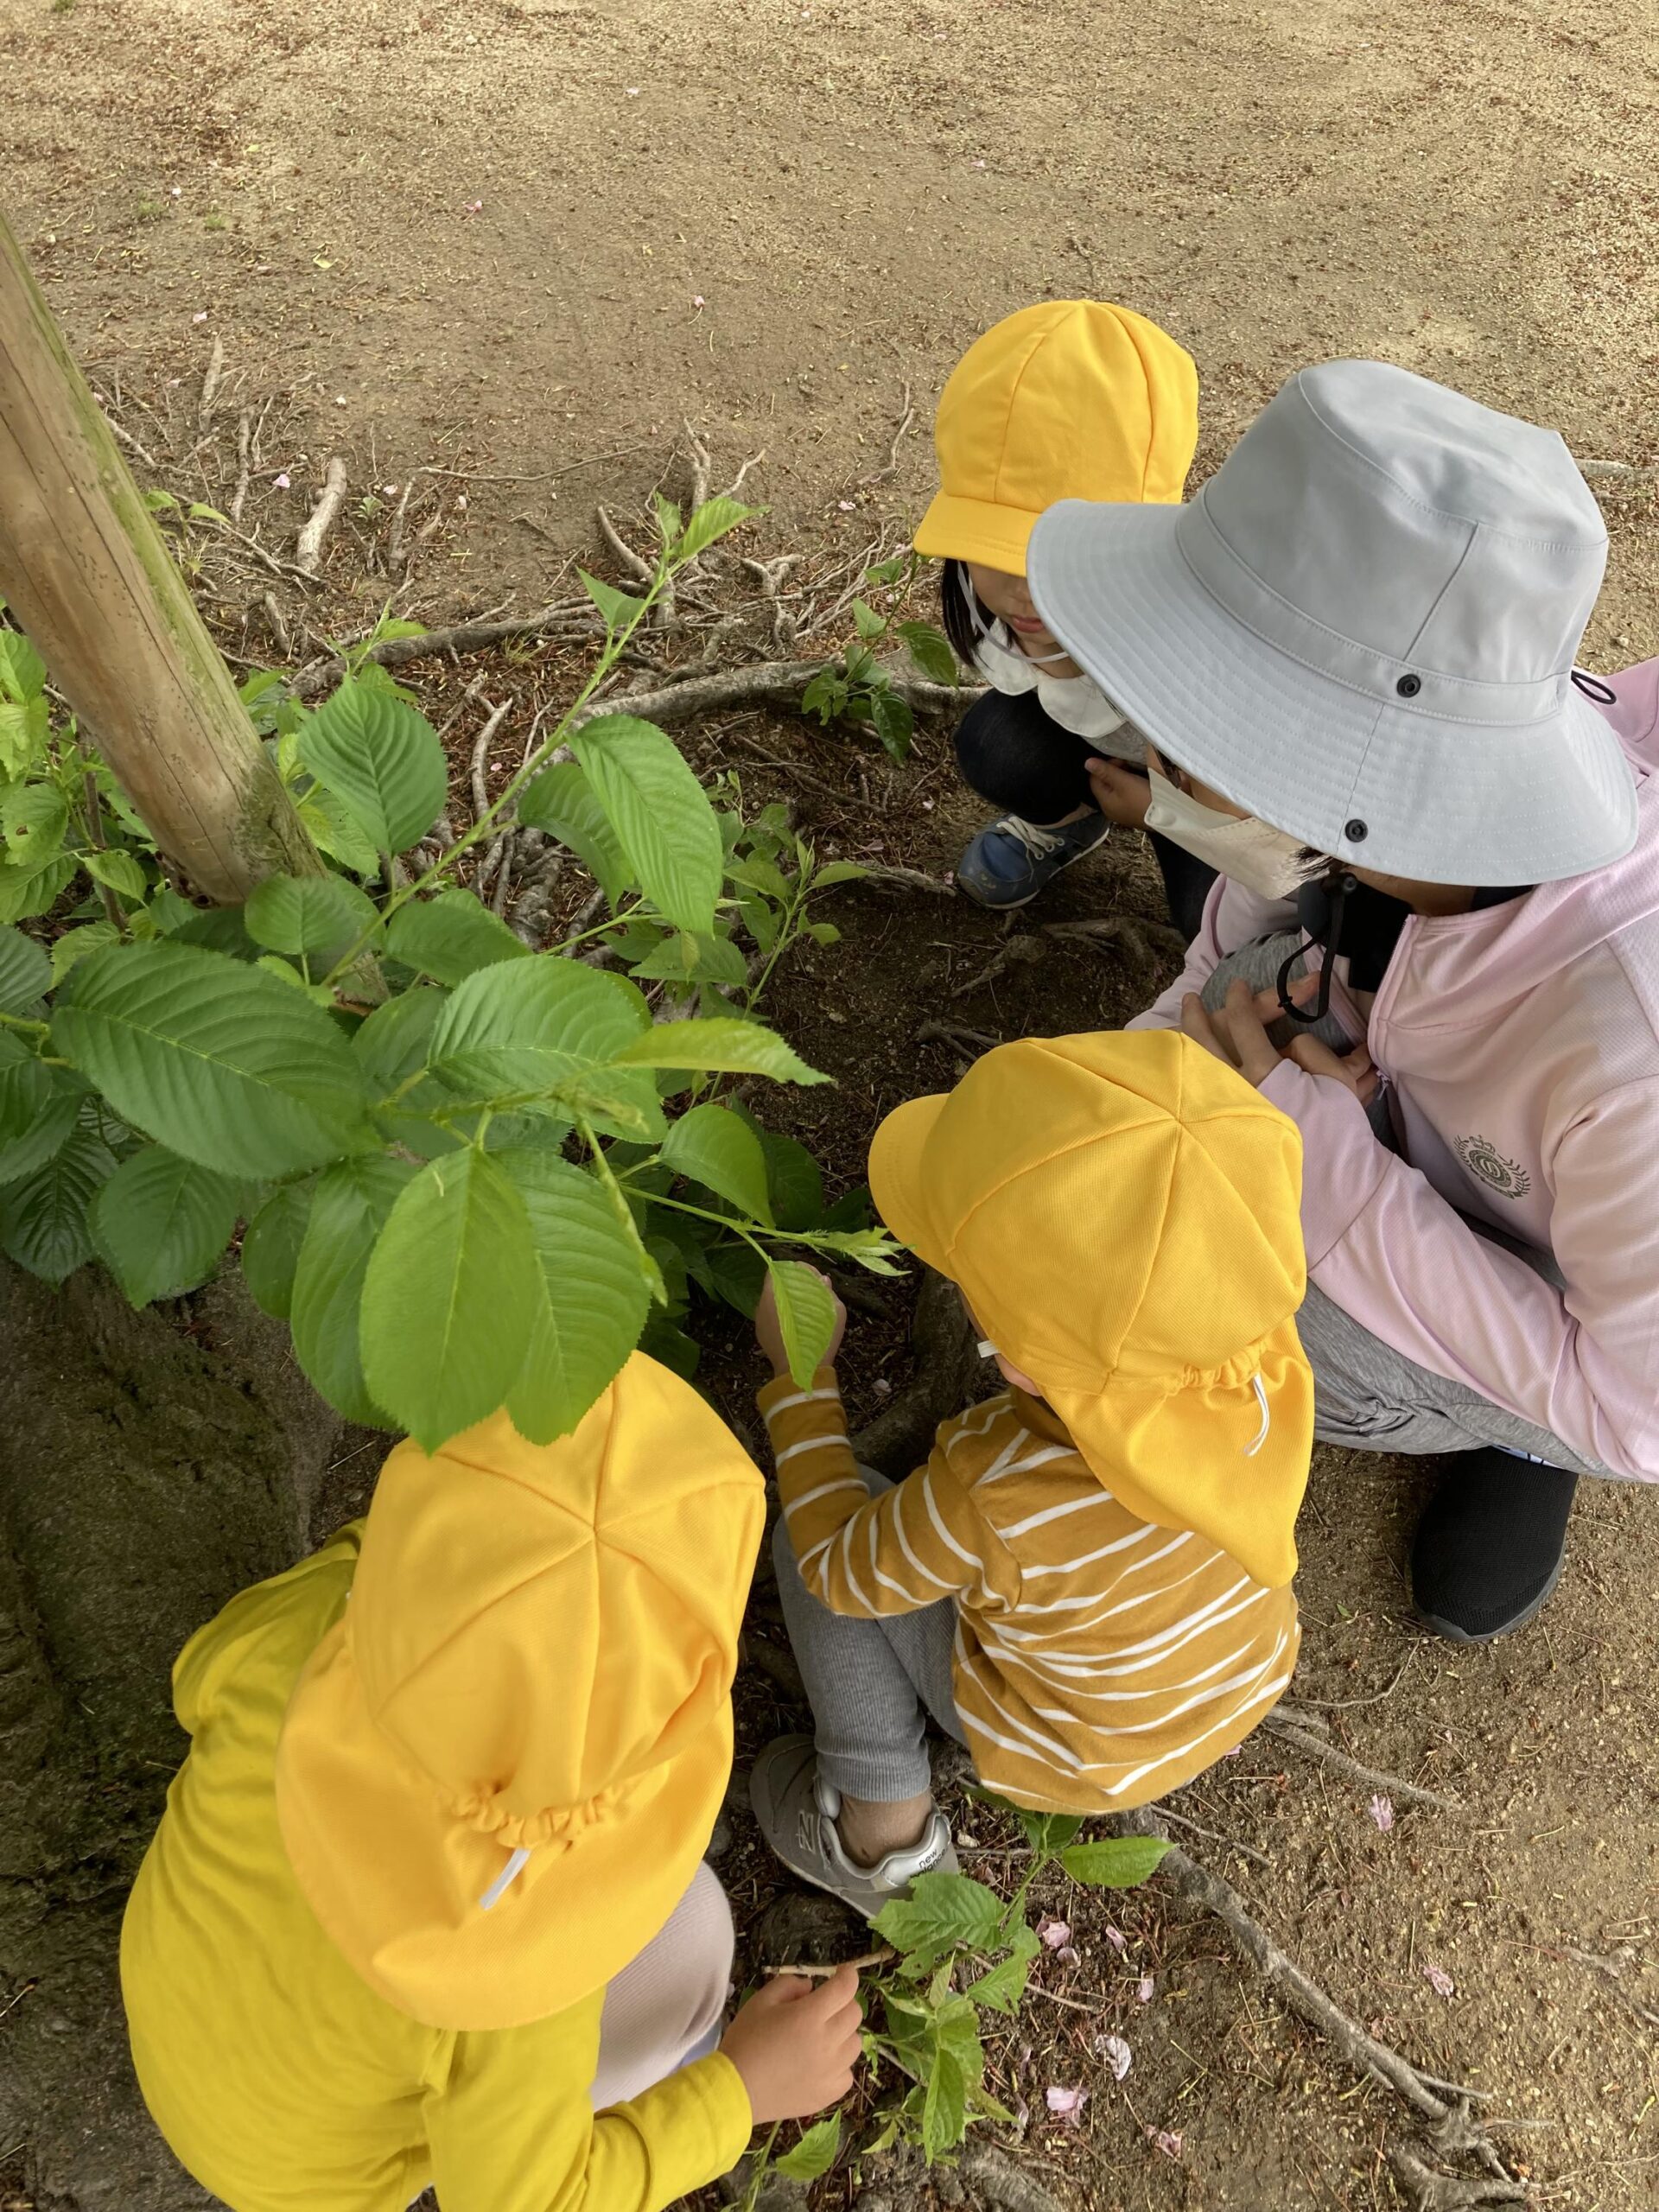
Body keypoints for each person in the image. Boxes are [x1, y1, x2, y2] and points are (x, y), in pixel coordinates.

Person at [1022, 356, 1659, 1643]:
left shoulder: (1626, 1054)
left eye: (1199, 702)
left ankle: (1508, 1435)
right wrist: (1160, 1093)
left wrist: (1298, 1140)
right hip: (1442, 1134)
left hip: (1599, 1318)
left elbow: (1640, 1411)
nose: (1151, 737)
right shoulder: (1380, 838)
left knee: (1284, 1304)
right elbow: (1236, 957)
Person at [120, 1354, 863, 2212]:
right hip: (304, 2182)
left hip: (172, 2008)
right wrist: (738, 2092)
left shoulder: (322, 1614)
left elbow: (196, 1682)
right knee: (693, 1932)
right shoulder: (516, 1967)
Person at [747, 1029, 1313, 1915]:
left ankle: (880, 1835)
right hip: (1234, 1678)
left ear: (1016, 1366)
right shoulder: (1268, 1360)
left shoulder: (993, 1486)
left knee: (807, 1542)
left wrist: (801, 1380)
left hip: (1066, 1749)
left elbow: (838, 1567)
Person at [912, 299, 1218, 931]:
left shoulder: (1203, 645)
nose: (1027, 595)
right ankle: (1072, 824)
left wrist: (1157, 812)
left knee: (1211, 925)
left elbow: (1262, 820)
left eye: (1062, 561)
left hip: (1211, 802)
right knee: (995, 747)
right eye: (996, 550)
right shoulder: (987, 592)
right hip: (1117, 755)